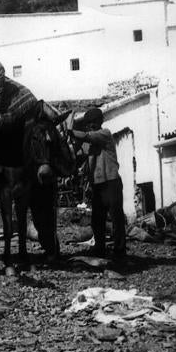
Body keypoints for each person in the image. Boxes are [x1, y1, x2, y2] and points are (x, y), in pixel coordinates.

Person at [68, 106, 126, 259]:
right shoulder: (92, 144)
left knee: (117, 220)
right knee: (97, 221)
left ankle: (120, 252)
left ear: (97, 122)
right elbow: (83, 158)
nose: (89, 126)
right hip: (98, 186)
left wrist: (70, 132)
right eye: (88, 124)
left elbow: (86, 136)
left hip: (111, 183)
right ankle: (100, 249)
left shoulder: (104, 134)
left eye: (91, 123)